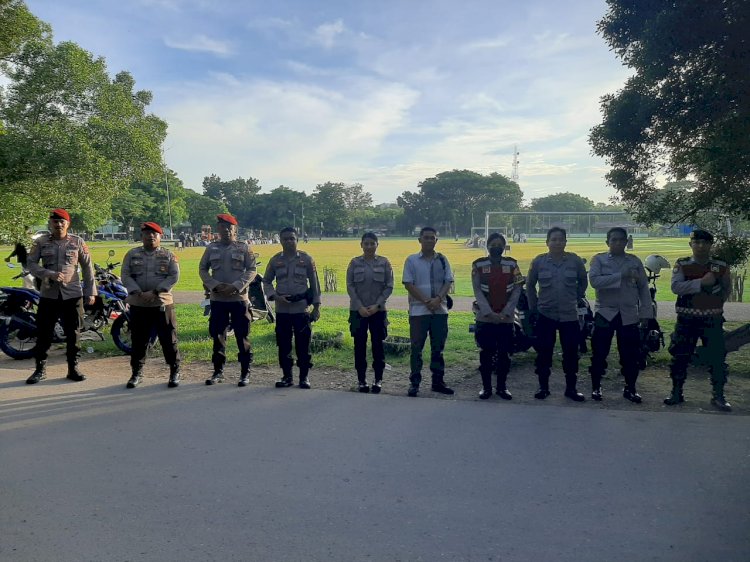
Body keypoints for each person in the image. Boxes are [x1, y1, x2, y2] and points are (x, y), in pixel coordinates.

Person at [25, 209, 97, 384]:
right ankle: (39, 370)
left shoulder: (77, 242)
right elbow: (31, 263)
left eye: (61, 222)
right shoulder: (41, 242)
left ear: (68, 224)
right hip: (49, 295)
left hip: (72, 295)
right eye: (55, 222)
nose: (58, 225)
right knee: (44, 333)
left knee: (74, 333)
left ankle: (73, 369)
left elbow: (88, 268)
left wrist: (91, 292)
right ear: (50, 224)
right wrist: (47, 273)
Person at [665, 229, 732, 411]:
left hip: (712, 318)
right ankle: (676, 392)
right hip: (687, 318)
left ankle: (718, 395)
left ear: (711, 245)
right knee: (680, 355)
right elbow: (676, 287)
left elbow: (726, 289)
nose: (701, 246)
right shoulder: (683, 264)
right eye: (697, 242)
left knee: (717, 357)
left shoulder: (720, 266)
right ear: (691, 244)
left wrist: (714, 302)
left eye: (705, 242)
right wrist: (701, 283)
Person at [587, 227, 653, 402]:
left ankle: (630, 388)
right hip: (605, 312)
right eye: (613, 240)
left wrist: (646, 313)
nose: (617, 243)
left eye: (621, 240)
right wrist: (621, 275)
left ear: (626, 242)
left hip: (629, 313)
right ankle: (596, 387)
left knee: (630, 354)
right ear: (607, 242)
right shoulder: (599, 260)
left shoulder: (634, 261)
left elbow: (643, 289)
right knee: (599, 353)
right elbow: (594, 281)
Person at [526, 227, 588, 401]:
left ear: (566, 242)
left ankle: (571, 389)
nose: (557, 242)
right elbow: (530, 285)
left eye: (561, 239)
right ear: (547, 242)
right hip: (546, 314)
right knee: (544, 353)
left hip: (570, 315)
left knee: (571, 353)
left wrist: (576, 296)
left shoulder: (575, 261)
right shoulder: (538, 262)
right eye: (553, 239)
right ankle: (543, 387)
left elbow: (583, 281)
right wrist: (534, 307)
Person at [199, 214, 257, 387]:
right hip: (218, 299)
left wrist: (236, 286)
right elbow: (202, 269)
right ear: (218, 229)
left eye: (229, 227)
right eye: (222, 227)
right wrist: (213, 285)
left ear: (235, 230)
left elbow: (252, 269)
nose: (225, 230)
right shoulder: (211, 248)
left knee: (242, 336)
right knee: (218, 336)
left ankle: (245, 372)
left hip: (238, 298)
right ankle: (218, 371)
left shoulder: (244, 248)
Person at [121, 222, 181, 389]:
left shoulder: (168, 255)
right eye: (147, 233)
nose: (151, 236)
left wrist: (155, 292)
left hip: (162, 303)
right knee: (138, 340)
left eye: (154, 233)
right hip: (139, 304)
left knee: (168, 339)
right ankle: (136, 373)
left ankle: (174, 371)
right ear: (142, 236)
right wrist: (138, 292)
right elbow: (125, 275)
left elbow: (174, 276)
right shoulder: (132, 254)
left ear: (160, 236)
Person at [263, 227, 321, 389]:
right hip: (282, 310)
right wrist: (274, 295)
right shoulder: (275, 260)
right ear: (280, 241)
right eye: (285, 239)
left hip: (301, 309)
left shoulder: (306, 259)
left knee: (303, 345)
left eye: (292, 238)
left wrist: (317, 307)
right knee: (283, 345)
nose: (289, 241)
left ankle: (304, 377)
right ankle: (287, 376)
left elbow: (315, 285)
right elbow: (266, 281)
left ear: (297, 240)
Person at [402, 227, 454, 397]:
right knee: (416, 348)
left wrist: (438, 299)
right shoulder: (411, 260)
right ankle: (414, 383)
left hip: (439, 310)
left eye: (432, 238)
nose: (429, 240)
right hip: (418, 311)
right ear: (419, 240)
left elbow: (448, 281)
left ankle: (438, 382)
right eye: (426, 238)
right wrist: (426, 301)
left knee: (438, 348)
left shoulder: (443, 260)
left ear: (436, 240)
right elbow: (408, 284)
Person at [471, 233, 523, 400]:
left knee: (504, 355)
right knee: (486, 354)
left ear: (504, 246)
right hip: (485, 318)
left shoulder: (513, 263)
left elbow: (517, 288)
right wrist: (489, 313)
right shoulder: (478, 264)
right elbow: (477, 290)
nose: (496, 247)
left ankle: (502, 387)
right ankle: (486, 388)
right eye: (493, 244)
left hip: (506, 318)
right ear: (487, 246)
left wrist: (507, 311)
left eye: (499, 244)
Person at [346, 232, 394, 393]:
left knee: (378, 346)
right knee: (359, 346)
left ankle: (378, 379)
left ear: (377, 245)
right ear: (361, 245)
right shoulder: (354, 263)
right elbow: (350, 286)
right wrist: (359, 306)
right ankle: (362, 380)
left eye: (372, 243)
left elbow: (389, 286)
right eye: (366, 243)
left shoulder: (384, 262)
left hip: (378, 311)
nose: (369, 246)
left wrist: (377, 305)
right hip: (358, 311)